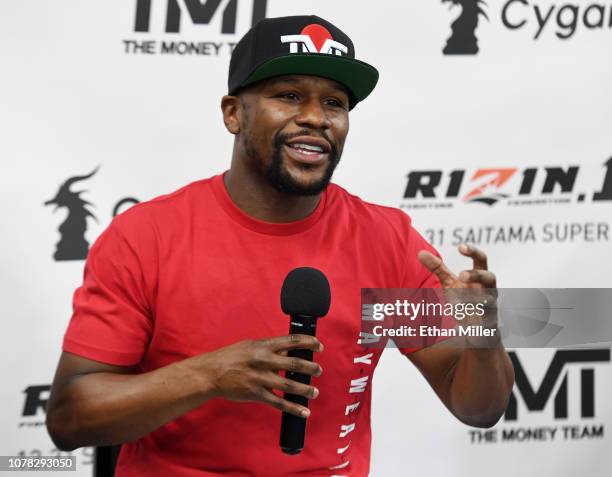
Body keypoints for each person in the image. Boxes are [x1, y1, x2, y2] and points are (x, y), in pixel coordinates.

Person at [46, 15, 514, 477]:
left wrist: (482, 332)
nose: (315, 118)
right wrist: (208, 375)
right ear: (233, 113)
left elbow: (476, 408)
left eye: (334, 102)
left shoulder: (388, 240)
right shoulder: (145, 237)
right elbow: (70, 419)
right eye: (288, 96)